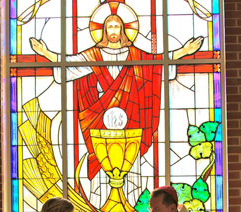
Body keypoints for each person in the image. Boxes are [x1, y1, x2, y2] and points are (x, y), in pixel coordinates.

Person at [29, 14, 203, 180]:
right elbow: (69, 65)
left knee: (131, 165)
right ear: (104, 30)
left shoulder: (136, 56)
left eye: (117, 27)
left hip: (132, 119)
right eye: (109, 27)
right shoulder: (93, 55)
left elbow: (156, 64)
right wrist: (45, 53)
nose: (113, 31)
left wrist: (184, 51)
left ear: (123, 30)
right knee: (101, 166)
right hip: (99, 119)